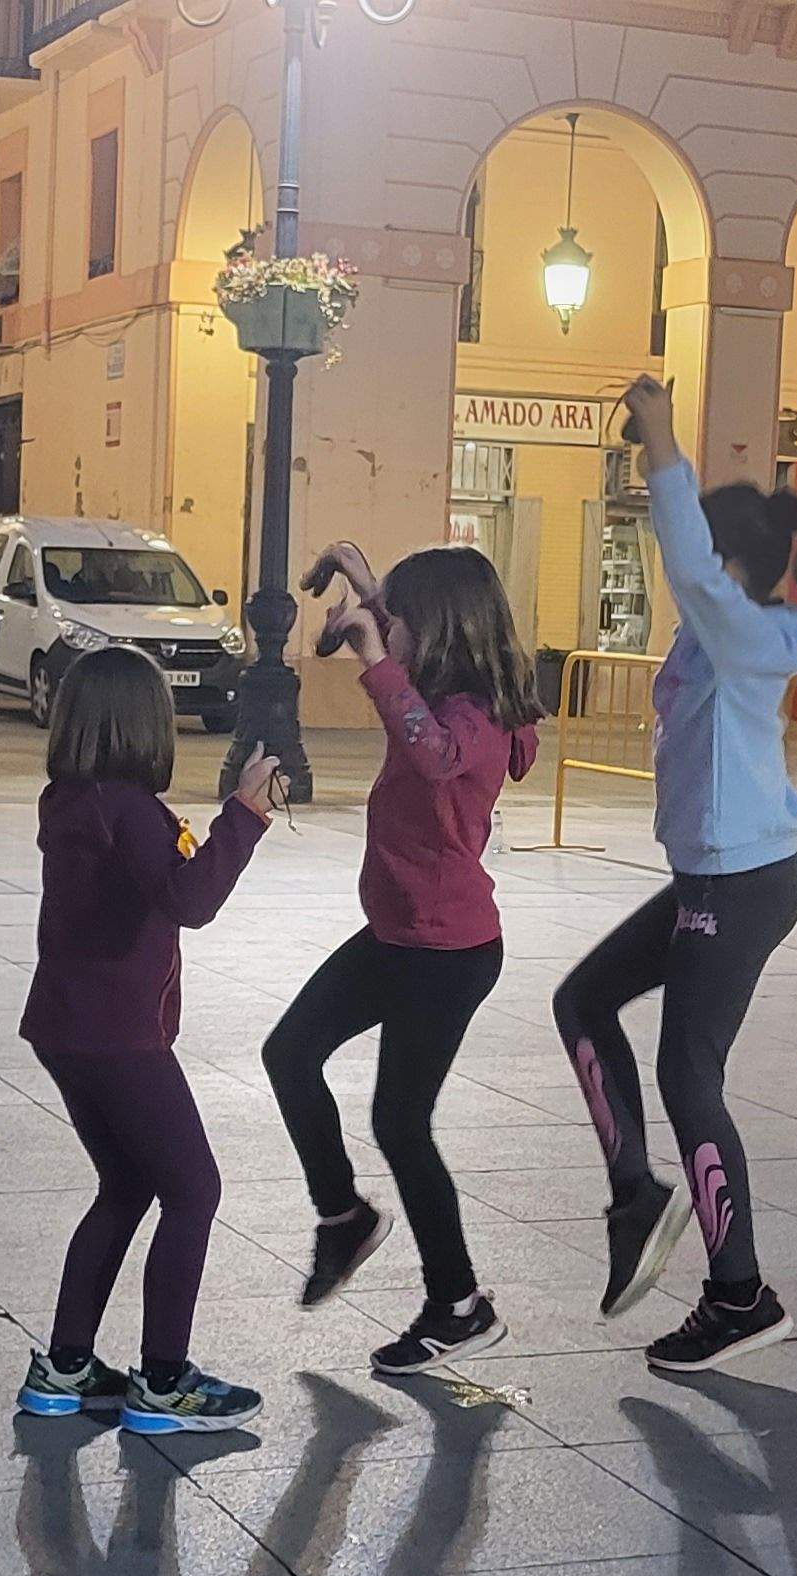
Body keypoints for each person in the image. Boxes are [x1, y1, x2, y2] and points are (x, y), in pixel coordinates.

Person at [553, 374, 797, 1372]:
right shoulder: (726, 634)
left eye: (692, 560)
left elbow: (682, 551)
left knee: (687, 1073)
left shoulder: (737, 629)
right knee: (582, 998)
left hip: (738, 883)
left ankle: (737, 1293)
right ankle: (638, 1194)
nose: (673, 571)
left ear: (722, 565)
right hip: (714, 878)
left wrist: (664, 436)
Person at [263, 541, 546, 1372]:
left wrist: (374, 657)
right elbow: (414, 677)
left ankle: (457, 1305)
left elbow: (434, 754)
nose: (392, 633)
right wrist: (362, 572)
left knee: (399, 1122)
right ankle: (344, 1217)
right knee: (289, 1053)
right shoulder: (452, 688)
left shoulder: (474, 719)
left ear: (444, 632)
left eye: (404, 624)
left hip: (446, 952)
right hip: (400, 936)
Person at [17, 647, 283, 1432]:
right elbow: (190, 899)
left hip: (65, 1026)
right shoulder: (129, 808)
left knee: (128, 1185)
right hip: (118, 1034)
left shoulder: (68, 799)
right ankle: (164, 1380)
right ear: (143, 724)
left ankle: (65, 1366)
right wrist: (247, 815)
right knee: (194, 1189)